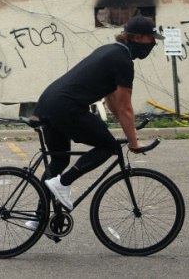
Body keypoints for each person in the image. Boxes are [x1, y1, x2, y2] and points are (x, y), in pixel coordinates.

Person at [31, 15, 164, 211]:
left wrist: (130, 131)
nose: (153, 43)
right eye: (151, 39)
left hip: (48, 104)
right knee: (108, 147)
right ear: (137, 38)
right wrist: (133, 142)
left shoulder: (108, 51)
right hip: (67, 108)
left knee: (59, 159)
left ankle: (39, 216)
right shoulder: (123, 61)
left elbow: (113, 103)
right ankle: (63, 182)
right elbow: (125, 107)